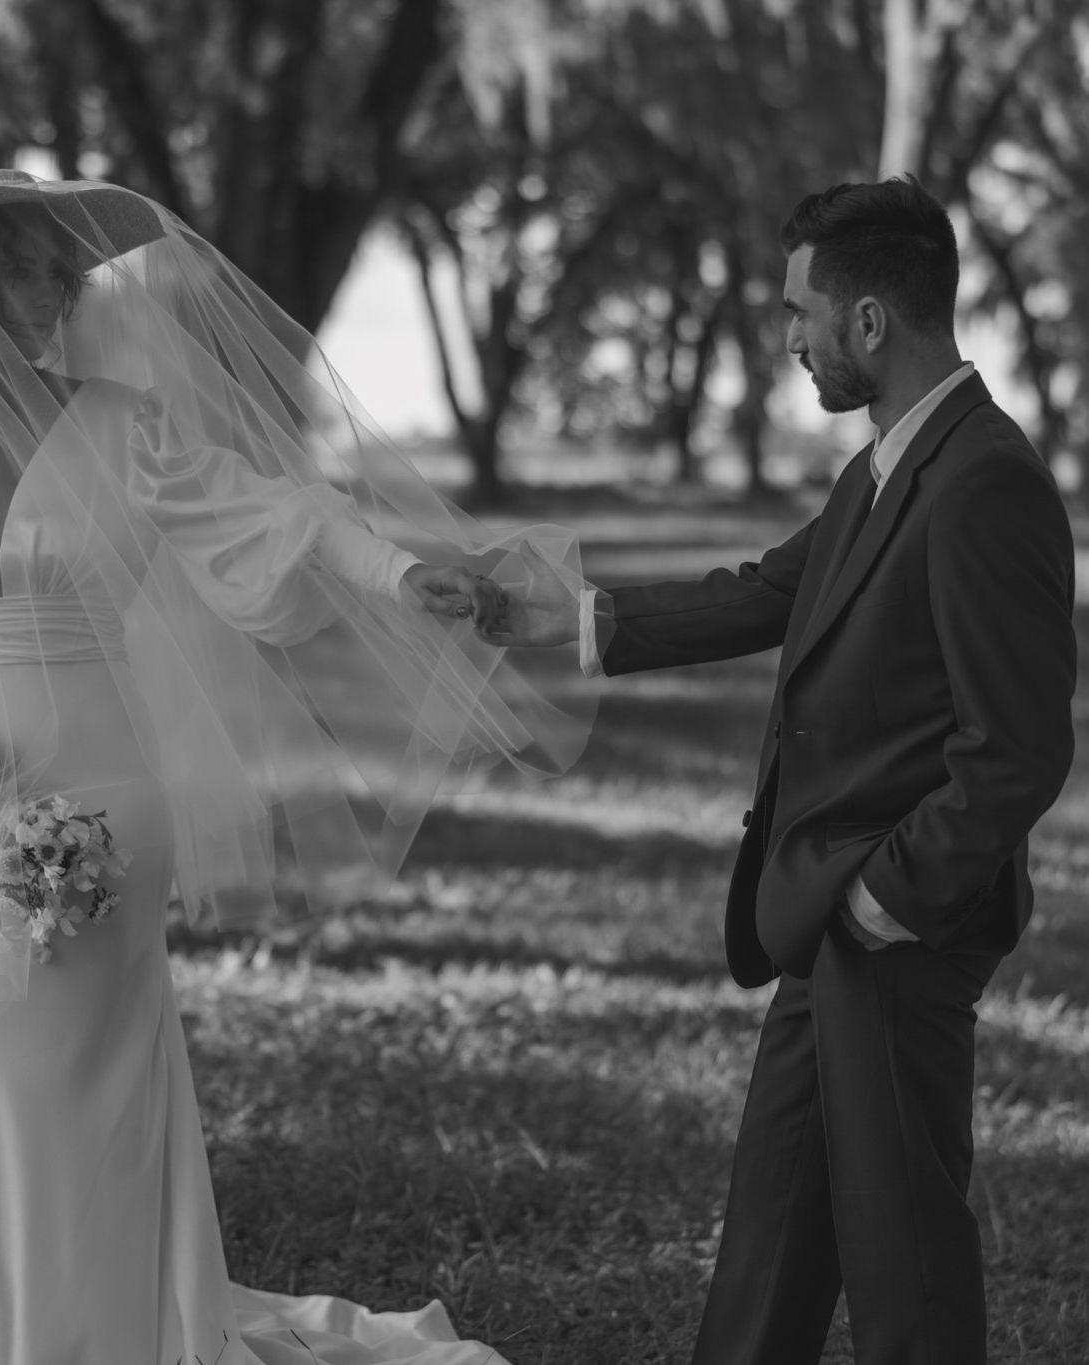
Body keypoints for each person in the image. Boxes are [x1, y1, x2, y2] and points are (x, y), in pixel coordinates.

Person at [0, 169, 594, 1364]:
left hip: (101, 788)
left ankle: (105, 1332)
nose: (55, 294)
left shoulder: (121, 424)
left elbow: (280, 515)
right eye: (23, 270)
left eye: (63, 273)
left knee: (79, 1071)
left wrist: (399, 573)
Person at [478, 177, 1077, 1364]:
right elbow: (765, 593)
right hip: (826, 914)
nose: (791, 340)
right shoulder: (884, 468)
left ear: (869, 322)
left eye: (802, 312)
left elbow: (1016, 750)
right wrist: (559, 618)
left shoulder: (983, 478)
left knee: (905, 1264)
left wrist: (883, 902)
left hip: (893, 927)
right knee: (772, 1236)